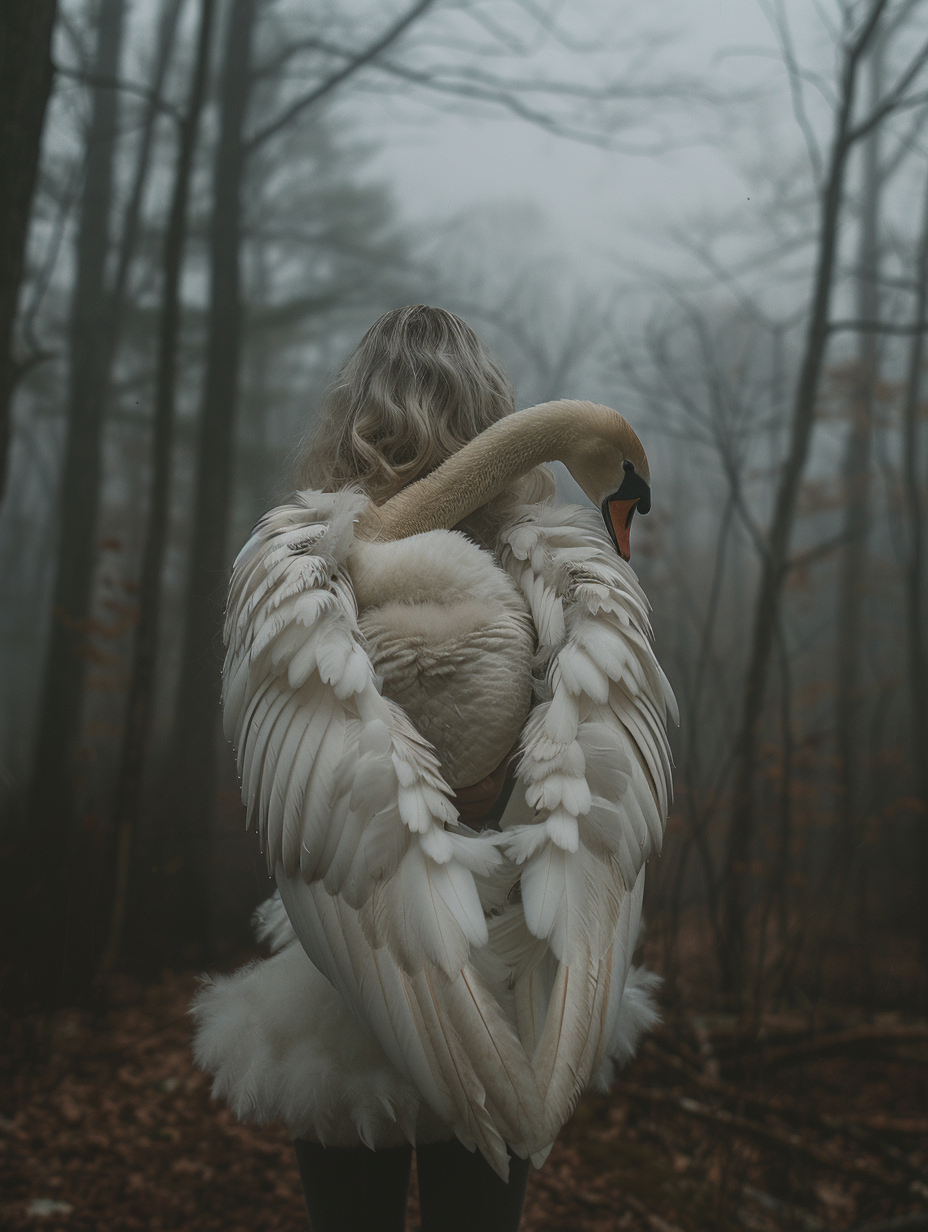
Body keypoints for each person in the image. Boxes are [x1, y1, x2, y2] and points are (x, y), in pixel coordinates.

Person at [193, 305, 669, 1232]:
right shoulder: (579, 580)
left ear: (354, 411)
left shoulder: (292, 570)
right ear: (494, 411)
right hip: (509, 980)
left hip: (350, 992)